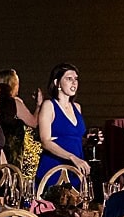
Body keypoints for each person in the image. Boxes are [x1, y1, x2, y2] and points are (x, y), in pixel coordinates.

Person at [36, 63, 90, 191]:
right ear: (57, 82)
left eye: (76, 79)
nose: (74, 83)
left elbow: (73, 138)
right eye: (69, 79)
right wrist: (72, 157)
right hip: (55, 167)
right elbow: (45, 141)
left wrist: (88, 140)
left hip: (76, 168)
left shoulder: (77, 107)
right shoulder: (49, 105)